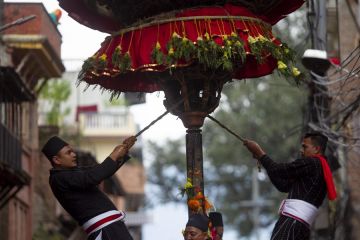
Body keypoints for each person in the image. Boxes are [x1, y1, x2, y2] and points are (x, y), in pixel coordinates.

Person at [243, 132, 337, 240]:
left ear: (316, 149)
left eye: (304, 147)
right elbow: (283, 186)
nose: (301, 151)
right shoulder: (318, 168)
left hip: (292, 222)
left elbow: (278, 170)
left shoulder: (313, 163)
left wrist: (260, 153)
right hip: (299, 225)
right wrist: (262, 159)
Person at [41, 135, 137, 240]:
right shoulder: (58, 178)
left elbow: (100, 171)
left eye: (72, 151)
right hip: (106, 230)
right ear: (57, 160)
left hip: (110, 228)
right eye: (69, 153)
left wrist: (122, 152)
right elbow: (94, 176)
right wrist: (115, 154)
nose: (74, 155)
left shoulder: (69, 173)